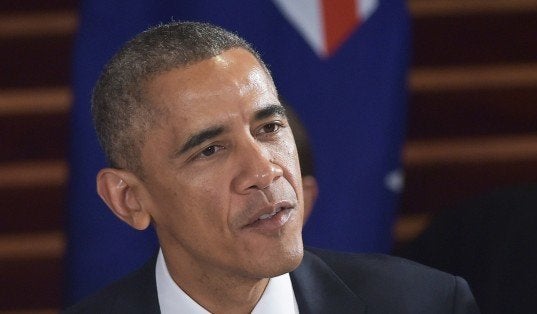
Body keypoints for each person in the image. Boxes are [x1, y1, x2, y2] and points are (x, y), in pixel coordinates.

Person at [64, 21, 479, 314]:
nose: (264, 172)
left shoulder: (428, 304)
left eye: (269, 127)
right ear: (129, 199)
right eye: (209, 150)